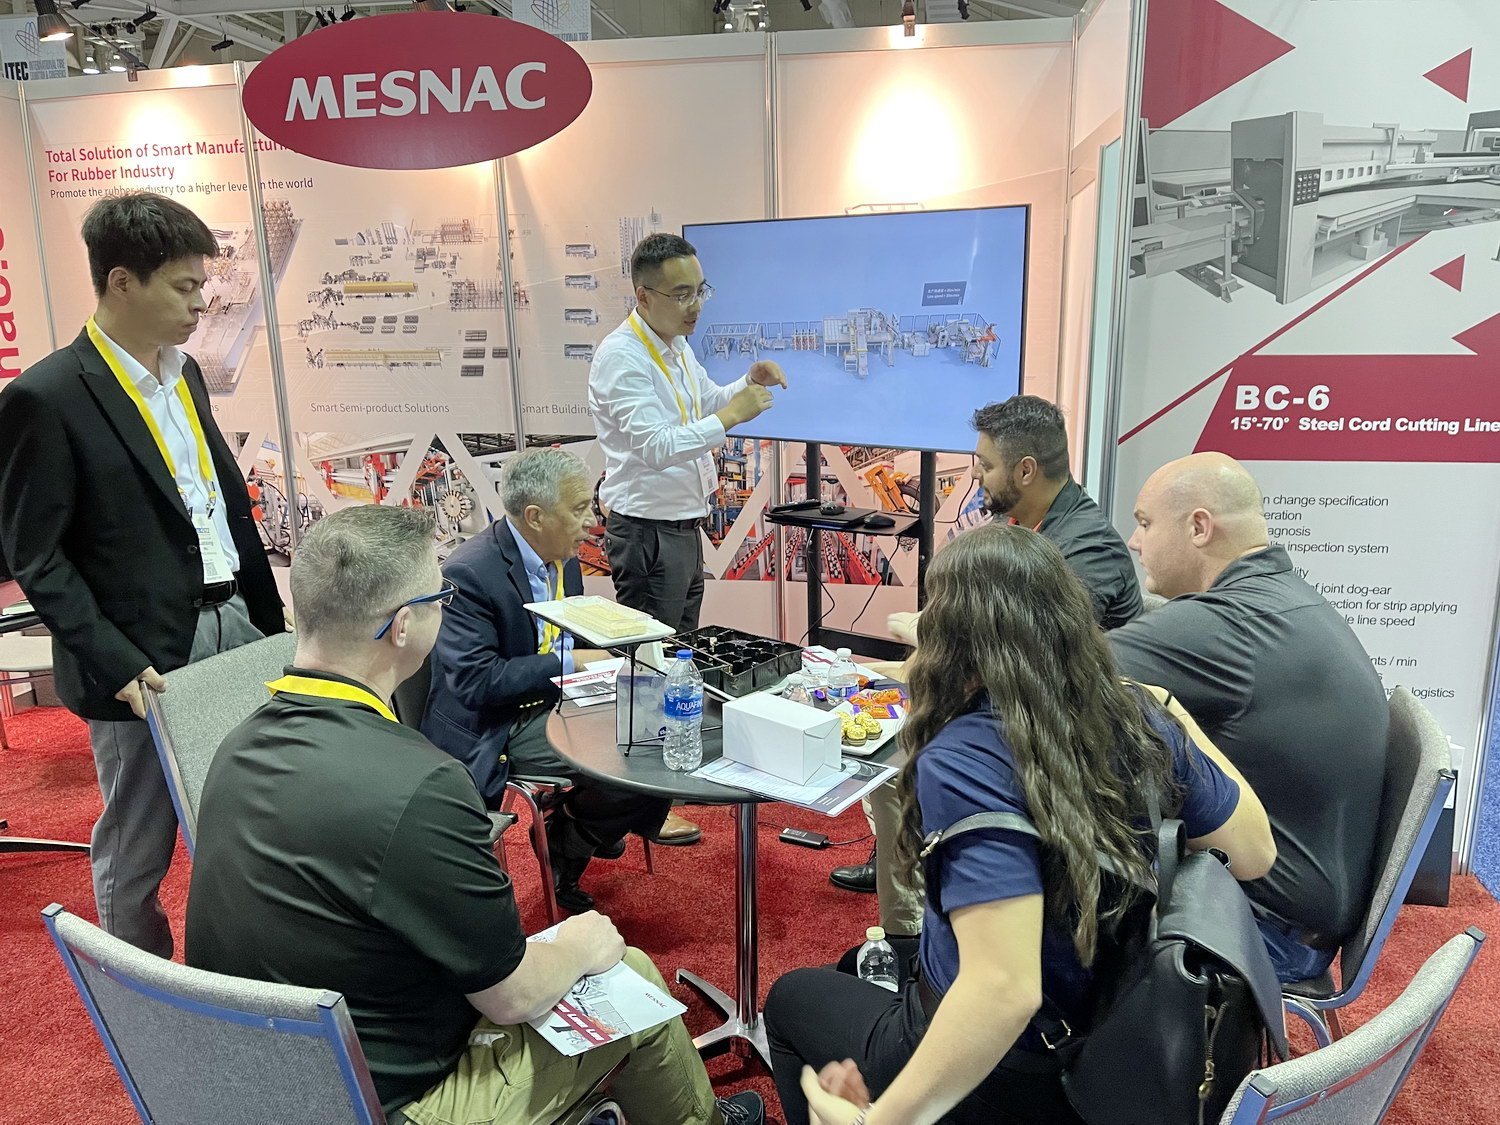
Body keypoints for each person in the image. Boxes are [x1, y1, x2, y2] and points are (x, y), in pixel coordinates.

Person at [184, 506, 763, 1125]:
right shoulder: (422, 785)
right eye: (441, 598)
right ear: (404, 625)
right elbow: (514, 995)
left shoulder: (235, 748)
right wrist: (579, 944)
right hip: (386, 1101)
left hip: (264, 1084)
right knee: (631, 973)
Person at [764, 524, 1275, 1125]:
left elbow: (1003, 991)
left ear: (951, 636)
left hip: (1015, 1068)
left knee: (791, 999)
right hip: (1110, 1028)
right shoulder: (1134, 718)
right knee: (861, 963)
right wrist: (1171, 713)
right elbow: (1256, 852)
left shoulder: (963, 758)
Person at [0, 192, 283, 958]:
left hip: (236, 627)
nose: (201, 303)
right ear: (122, 282)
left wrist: (270, 620)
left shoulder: (184, 375)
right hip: (140, 660)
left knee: (250, 815)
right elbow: (36, 555)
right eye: (184, 287)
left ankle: (247, 970)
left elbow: (221, 507)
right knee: (137, 847)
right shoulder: (46, 397)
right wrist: (116, 659)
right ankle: (148, 993)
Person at [832, 395, 1141, 908]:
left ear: (1025, 470)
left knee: (902, 755)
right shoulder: (1018, 527)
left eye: (985, 464)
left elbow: (1033, 649)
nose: (976, 475)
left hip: (1063, 726)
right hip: (1015, 700)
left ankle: (907, 911)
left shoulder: (1088, 548)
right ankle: (902, 862)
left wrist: (927, 637)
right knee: (871, 692)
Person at [1109, 452, 1388, 983]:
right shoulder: (1281, 599)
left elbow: (1058, 670)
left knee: (1031, 892)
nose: (1135, 541)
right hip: (1301, 912)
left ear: (1198, 527)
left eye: (1145, 523)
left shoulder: (1232, 625)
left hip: (1263, 933)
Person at [421, 448, 694, 916]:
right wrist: (571, 663)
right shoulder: (469, 572)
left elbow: (569, 633)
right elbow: (477, 682)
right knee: (635, 755)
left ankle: (579, 827)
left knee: (660, 723)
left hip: (558, 698)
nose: (592, 522)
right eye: (579, 509)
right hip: (499, 723)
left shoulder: (562, 556)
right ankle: (576, 835)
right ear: (535, 516)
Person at [589, 233, 787, 633]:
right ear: (644, 297)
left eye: (700, 291)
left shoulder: (675, 344)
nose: (696, 306)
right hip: (648, 531)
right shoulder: (622, 358)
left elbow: (704, 401)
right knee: (653, 654)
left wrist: (747, 382)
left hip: (680, 525)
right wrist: (731, 416)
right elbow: (657, 447)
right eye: (682, 295)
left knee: (681, 648)